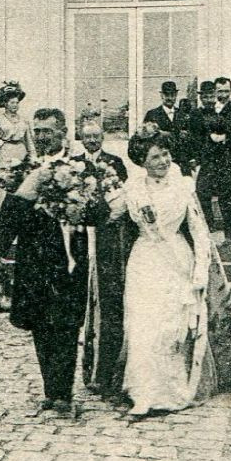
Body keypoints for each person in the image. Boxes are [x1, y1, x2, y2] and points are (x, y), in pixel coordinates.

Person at [0, 107, 87, 416]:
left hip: (68, 258)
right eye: (39, 130)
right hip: (34, 259)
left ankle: (64, 394)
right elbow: (11, 213)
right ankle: (50, 391)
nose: (43, 136)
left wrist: (79, 212)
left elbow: (96, 210)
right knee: (41, 325)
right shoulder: (25, 168)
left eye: (48, 130)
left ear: (63, 132)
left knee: (67, 325)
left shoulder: (80, 168)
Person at [119, 130, 218, 419]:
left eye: (165, 154)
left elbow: (199, 231)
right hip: (145, 260)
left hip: (175, 259)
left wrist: (201, 270)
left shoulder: (183, 185)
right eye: (155, 156)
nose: (163, 160)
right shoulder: (133, 187)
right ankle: (142, 392)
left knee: (169, 326)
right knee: (140, 325)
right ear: (142, 161)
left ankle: (168, 390)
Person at [74, 114, 130, 402]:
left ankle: (106, 370)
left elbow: (121, 197)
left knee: (107, 301)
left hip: (107, 240)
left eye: (97, 136)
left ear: (103, 137)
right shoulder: (73, 165)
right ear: (81, 137)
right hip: (82, 238)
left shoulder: (114, 163)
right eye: (88, 135)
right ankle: (87, 369)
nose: (93, 140)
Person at [194, 77, 231, 246]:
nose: (223, 95)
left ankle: (230, 236)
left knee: (227, 198)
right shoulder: (203, 111)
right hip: (208, 161)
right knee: (202, 192)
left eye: (227, 91)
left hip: (228, 161)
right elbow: (195, 135)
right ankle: (208, 230)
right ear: (213, 92)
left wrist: (226, 138)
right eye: (220, 91)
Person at [0, 80, 32, 215]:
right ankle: (0, 215)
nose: (15, 105)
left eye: (17, 103)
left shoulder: (24, 120)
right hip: (6, 152)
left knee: (22, 180)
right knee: (4, 181)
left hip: (21, 151)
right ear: (5, 104)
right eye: (12, 102)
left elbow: (29, 141)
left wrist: (32, 156)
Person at [142, 81, 189, 166]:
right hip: (161, 162)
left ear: (176, 95)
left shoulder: (183, 115)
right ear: (161, 95)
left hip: (181, 162)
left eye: (172, 95)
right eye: (167, 95)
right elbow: (145, 140)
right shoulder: (152, 114)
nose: (170, 98)